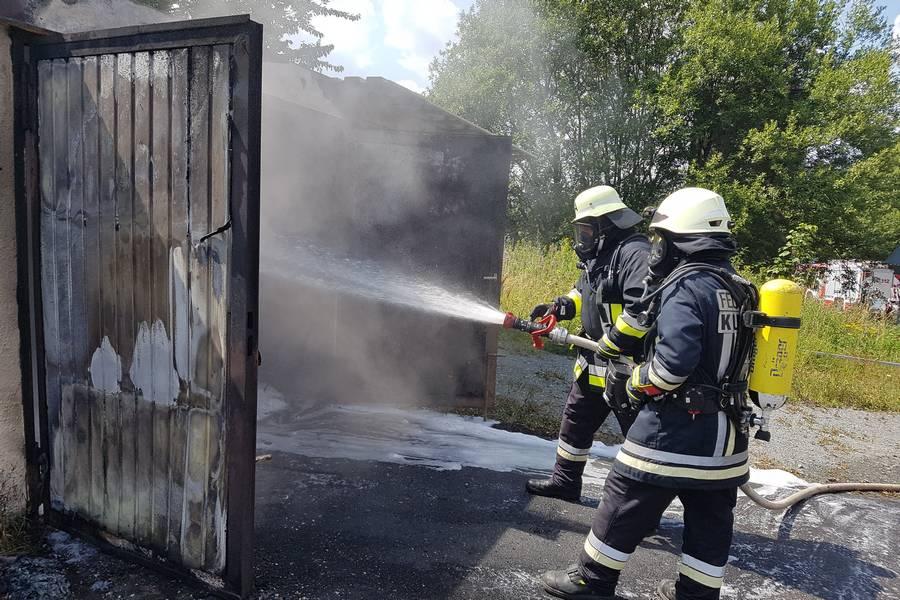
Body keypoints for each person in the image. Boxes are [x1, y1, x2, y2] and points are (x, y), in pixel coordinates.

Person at [540, 187, 757, 600]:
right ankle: (696, 594)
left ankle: (591, 580)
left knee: (624, 496)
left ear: (680, 239)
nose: (657, 247)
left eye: (663, 238)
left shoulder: (686, 286)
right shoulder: (738, 286)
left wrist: (635, 382)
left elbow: (672, 367)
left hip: (674, 429)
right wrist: (606, 341)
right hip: (727, 436)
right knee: (710, 520)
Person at [526, 185, 651, 503]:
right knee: (576, 421)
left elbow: (643, 308)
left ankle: (641, 510)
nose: (582, 238)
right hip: (595, 362)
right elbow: (584, 291)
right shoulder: (598, 256)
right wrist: (561, 306)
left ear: (606, 224)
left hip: (628, 367)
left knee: (640, 438)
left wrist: (615, 341)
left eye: (586, 230)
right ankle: (565, 483)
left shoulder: (635, 253)